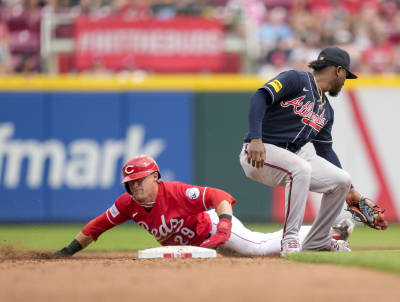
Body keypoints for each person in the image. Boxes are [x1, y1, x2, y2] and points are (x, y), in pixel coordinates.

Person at [54, 155, 352, 258]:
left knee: (260, 247)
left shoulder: (177, 192)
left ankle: (330, 234)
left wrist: (223, 225)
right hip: (200, 246)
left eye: (141, 180)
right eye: (131, 184)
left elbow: (219, 195)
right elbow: (98, 225)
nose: (136, 187)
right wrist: (68, 250)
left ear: (155, 177)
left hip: (212, 229)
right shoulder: (127, 205)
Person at [240, 46, 362, 256]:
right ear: (338, 71)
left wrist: (350, 188)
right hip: (259, 153)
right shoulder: (296, 79)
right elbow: (259, 97)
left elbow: (325, 151)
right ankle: (290, 241)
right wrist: (255, 138)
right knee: (301, 168)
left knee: (341, 179)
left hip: (290, 158)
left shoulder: (327, 110)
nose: (344, 82)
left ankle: (318, 240)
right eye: (346, 76)